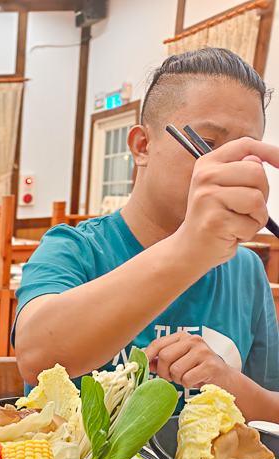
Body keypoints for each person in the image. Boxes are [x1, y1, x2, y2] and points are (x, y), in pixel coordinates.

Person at [14, 48, 279, 421]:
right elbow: (36, 356)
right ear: (142, 146)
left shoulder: (247, 270)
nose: (226, 169)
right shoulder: (76, 248)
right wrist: (190, 248)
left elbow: (273, 409)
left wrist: (227, 382)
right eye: (209, 144)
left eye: (244, 154)